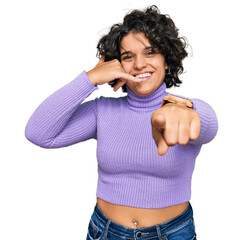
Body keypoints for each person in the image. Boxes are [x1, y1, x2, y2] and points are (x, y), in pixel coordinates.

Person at [25, 5, 218, 240]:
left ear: (167, 60)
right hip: (105, 232)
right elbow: (38, 133)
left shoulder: (182, 109)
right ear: (116, 65)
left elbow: (207, 125)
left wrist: (187, 110)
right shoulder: (102, 111)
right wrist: (90, 79)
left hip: (172, 233)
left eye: (150, 52)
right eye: (128, 56)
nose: (138, 65)